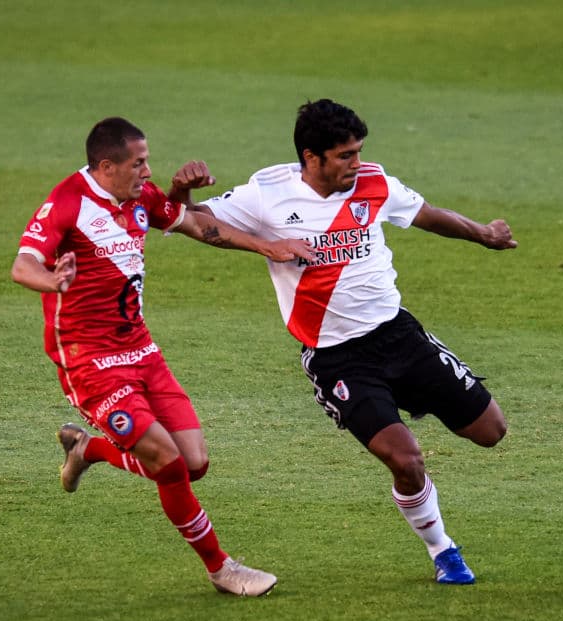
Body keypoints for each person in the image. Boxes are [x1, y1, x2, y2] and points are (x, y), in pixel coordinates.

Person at [170, 99, 517, 585]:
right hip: (338, 359)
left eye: (359, 152)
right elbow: (195, 222)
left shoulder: (373, 182)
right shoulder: (269, 193)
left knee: (491, 431)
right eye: (345, 155)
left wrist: (484, 234)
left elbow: (427, 214)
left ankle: (419, 418)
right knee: (406, 459)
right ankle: (443, 549)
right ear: (312, 157)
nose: (357, 163)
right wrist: (181, 191)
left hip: (399, 335)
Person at [11, 116, 313, 596]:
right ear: (107, 166)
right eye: (139, 163)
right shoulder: (67, 204)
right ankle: (222, 569)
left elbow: (192, 223)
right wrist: (51, 280)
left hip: (141, 350)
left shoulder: (140, 198)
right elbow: (22, 264)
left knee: (194, 464)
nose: (147, 171)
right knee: (168, 464)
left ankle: (89, 449)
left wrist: (266, 246)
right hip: (88, 361)